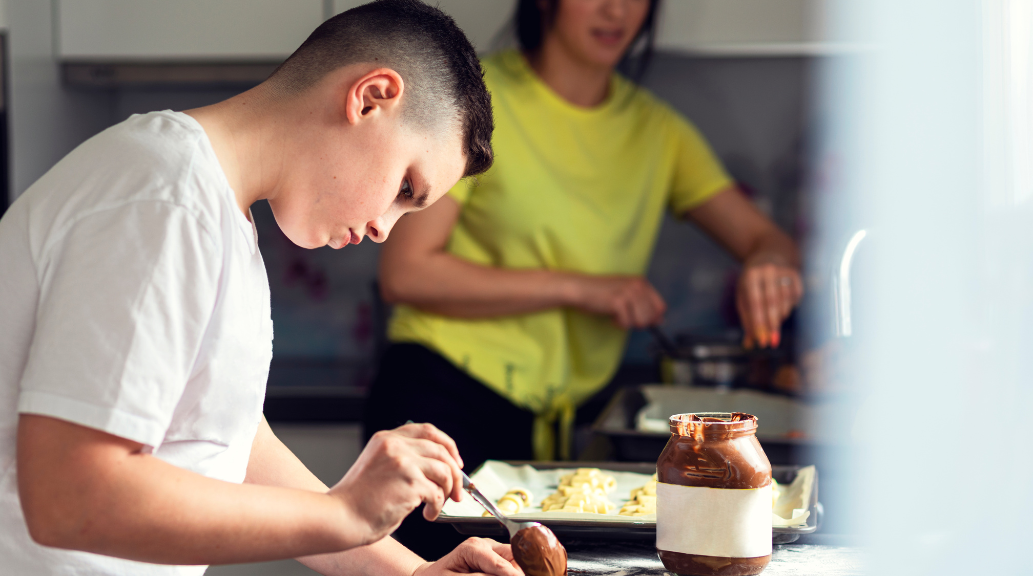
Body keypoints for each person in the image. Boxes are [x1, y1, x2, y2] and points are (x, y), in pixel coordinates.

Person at [0, 2, 518, 575]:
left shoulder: (214, 211)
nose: (382, 229)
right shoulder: (163, 198)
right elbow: (68, 497)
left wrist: (412, 572)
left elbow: (235, 445)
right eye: (404, 187)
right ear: (369, 98)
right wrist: (345, 511)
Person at [368, 0, 803, 474]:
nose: (615, 11)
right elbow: (407, 273)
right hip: (440, 402)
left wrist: (768, 263)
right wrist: (584, 289)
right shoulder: (473, 100)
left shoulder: (657, 131)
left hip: (556, 427)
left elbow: (770, 242)